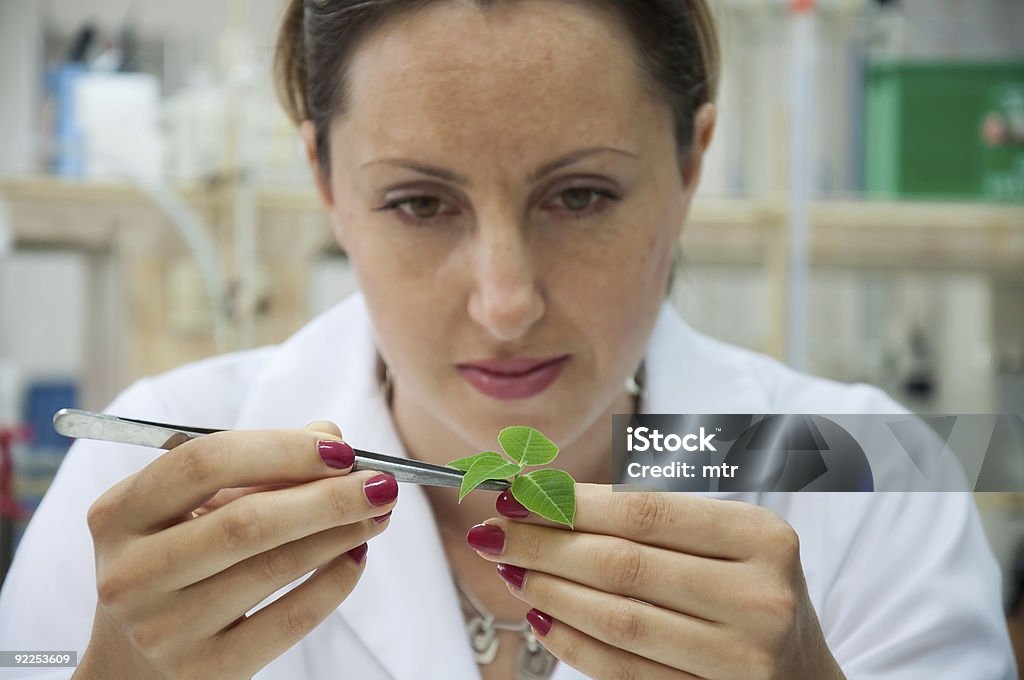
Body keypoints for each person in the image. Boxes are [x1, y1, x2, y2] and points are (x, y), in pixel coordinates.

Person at [0, 0, 1016, 678]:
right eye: (418, 201)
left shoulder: (866, 466)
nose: (505, 300)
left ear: (690, 160)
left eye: (579, 194)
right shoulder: (148, 464)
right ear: (324, 180)